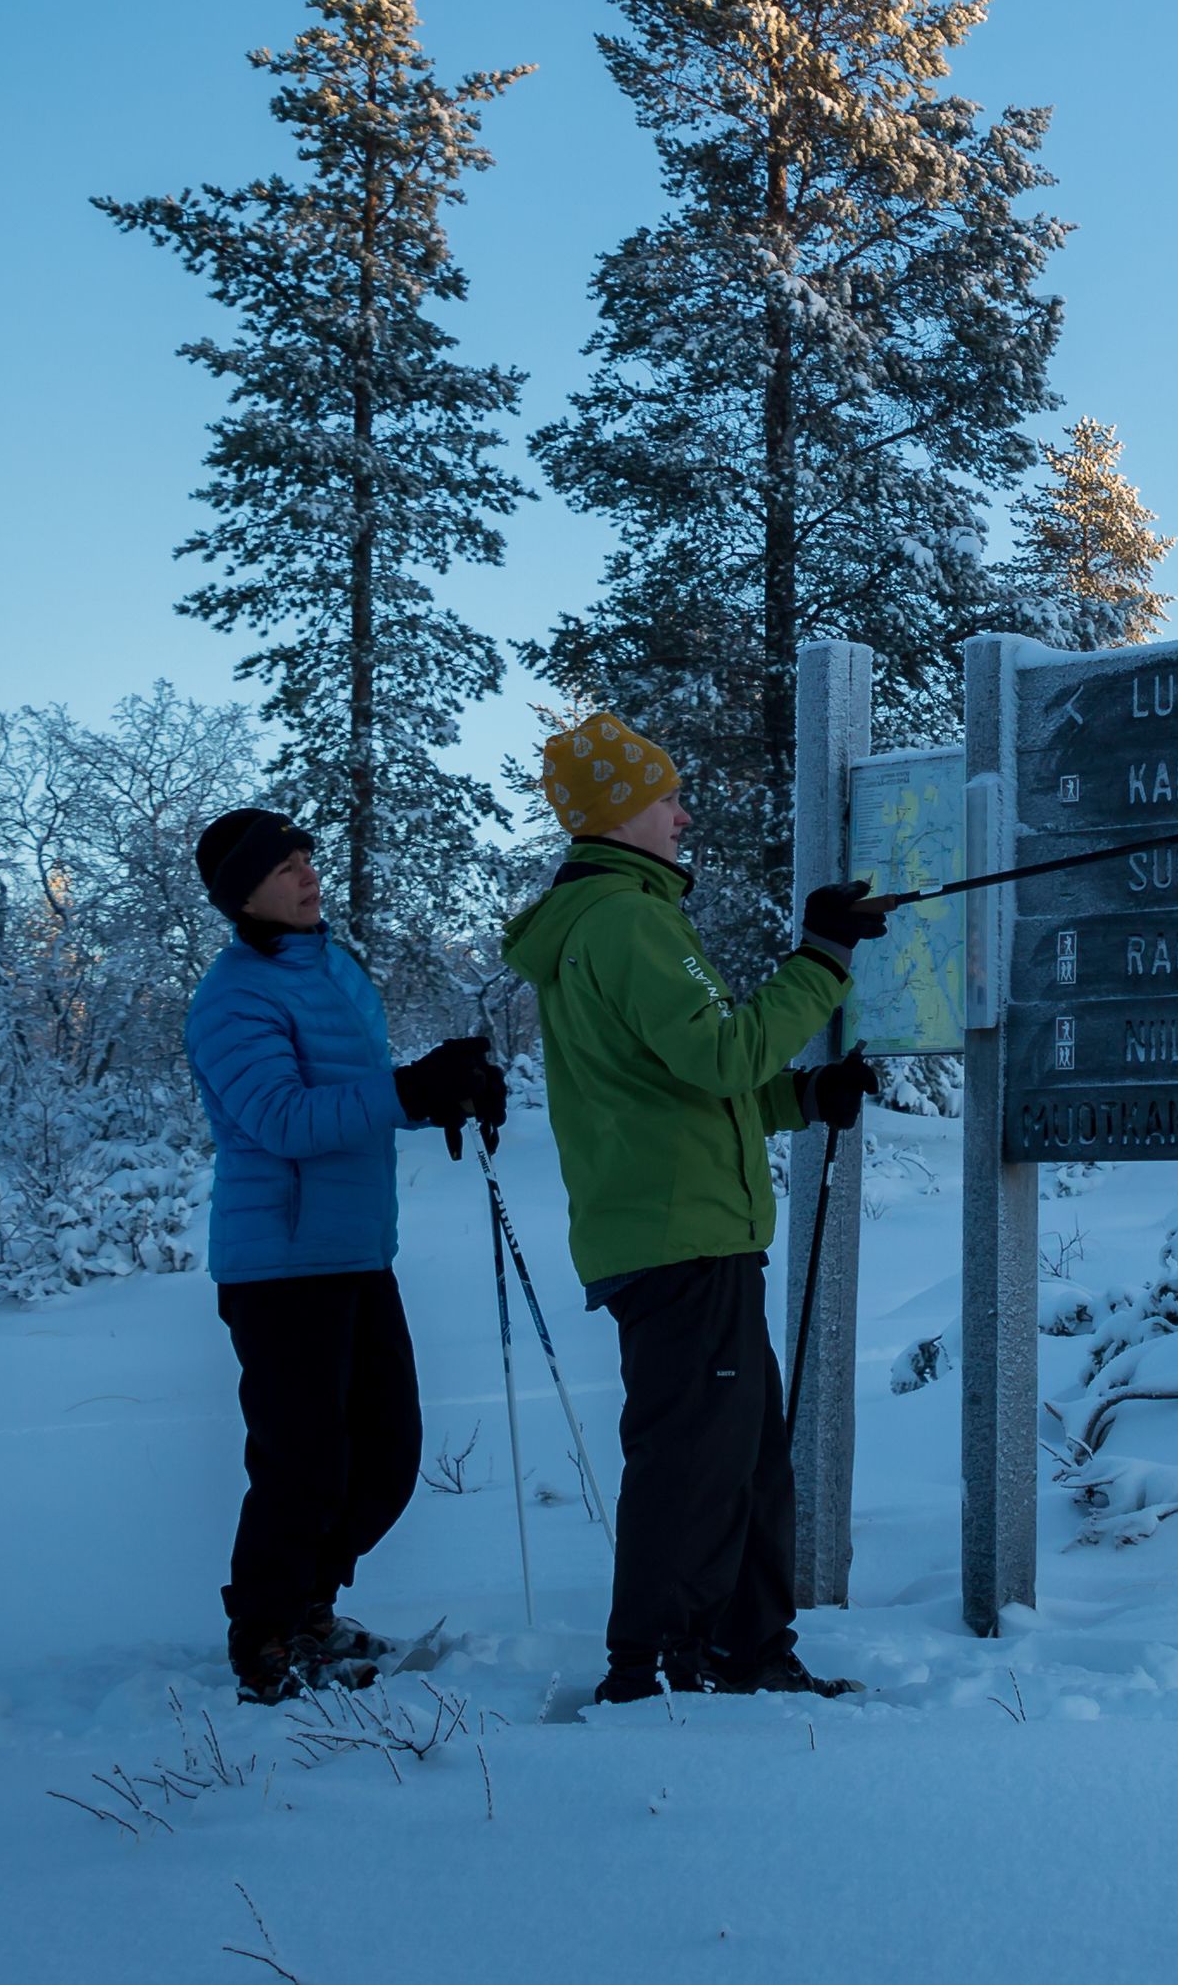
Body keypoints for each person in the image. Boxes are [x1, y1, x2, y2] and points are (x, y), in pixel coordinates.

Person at [499, 712, 896, 1704]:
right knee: (695, 1463)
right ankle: (654, 1667)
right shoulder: (625, 922)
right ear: (620, 812)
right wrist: (820, 956)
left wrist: (801, 1098)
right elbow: (725, 1051)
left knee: (746, 1459)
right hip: (680, 1240)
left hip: (686, 1232)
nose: (683, 813)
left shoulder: (617, 918)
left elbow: (685, 1085)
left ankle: (744, 1648)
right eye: (667, 796)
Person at [185, 807, 502, 1703]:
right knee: (300, 1463)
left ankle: (311, 1609)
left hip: (358, 1252)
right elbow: (281, 1119)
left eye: (305, 857)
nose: (305, 874)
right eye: (282, 867)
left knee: (388, 1454)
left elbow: (357, 1093)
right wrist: (406, 1089)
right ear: (242, 894)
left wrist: (446, 1090)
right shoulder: (232, 996)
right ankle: (268, 1639)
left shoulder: (335, 969)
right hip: (280, 1266)